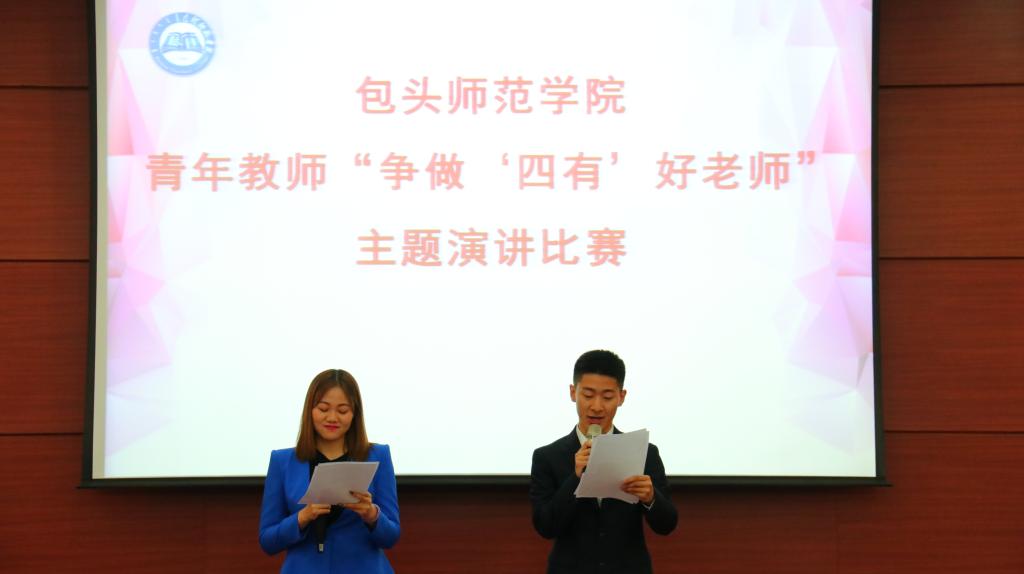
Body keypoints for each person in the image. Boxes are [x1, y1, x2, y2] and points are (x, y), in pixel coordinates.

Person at [530, 350, 677, 574]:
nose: (597, 406)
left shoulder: (644, 452)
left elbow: (667, 526)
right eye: (588, 395)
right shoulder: (547, 456)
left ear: (621, 397)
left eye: (607, 397)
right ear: (573, 392)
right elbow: (545, 526)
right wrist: (575, 478)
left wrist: (650, 498)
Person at [259, 369, 400, 573]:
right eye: (323, 409)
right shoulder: (282, 461)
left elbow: (391, 537)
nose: (332, 418)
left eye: (342, 411)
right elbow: (267, 541)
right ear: (310, 410)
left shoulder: (378, 455)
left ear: (354, 414)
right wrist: (302, 517)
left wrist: (371, 514)